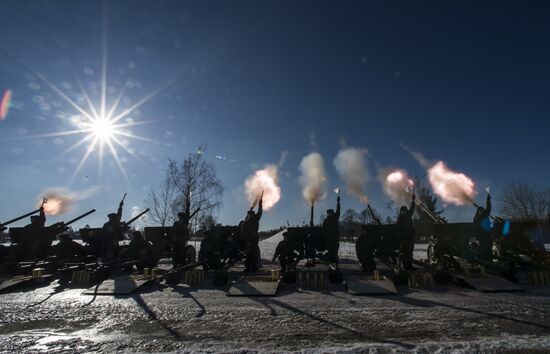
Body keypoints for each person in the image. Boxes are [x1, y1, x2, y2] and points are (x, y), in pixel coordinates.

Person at [240, 197, 263, 272]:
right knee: (248, 254)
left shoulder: (256, 219)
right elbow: (242, 229)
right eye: (249, 214)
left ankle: (254, 267)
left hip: (254, 238)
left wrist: (260, 204)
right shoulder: (245, 222)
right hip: (247, 239)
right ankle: (248, 267)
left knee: (254, 254)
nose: (250, 215)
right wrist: (243, 236)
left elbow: (260, 212)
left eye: (251, 214)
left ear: (253, 214)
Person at [397, 193, 416, 270]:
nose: (404, 212)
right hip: (404, 238)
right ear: (401, 211)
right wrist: (401, 239)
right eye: (403, 211)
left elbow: (412, 209)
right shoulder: (400, 219)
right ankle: (405, 265)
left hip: (410, 237)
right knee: (405, 253)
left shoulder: (408, 215)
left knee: (410, 252)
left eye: (405, 210)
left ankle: (409, 265)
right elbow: (398, 229)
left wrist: (413, 201)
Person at [473, 194, 492, 261]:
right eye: (479, 211)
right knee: (483, 249)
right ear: (478, 212)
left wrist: (488, 200)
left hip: (489, 235)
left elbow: (488, 207)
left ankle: (490, 261)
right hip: (482, 236)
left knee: (489, 249)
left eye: (482, 210)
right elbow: (475, 227)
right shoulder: (476, 218)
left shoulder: (485, 215)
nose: (481, 212)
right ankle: (484, 261)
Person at [322, 195, 341, 264]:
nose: (329, 214)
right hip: (329, 239)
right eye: (328, 213)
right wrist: (325, 235)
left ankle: (335, 267)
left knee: (335, 253)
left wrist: (338, 202)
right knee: (330, 253)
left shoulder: (335, 218)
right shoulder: (325, 220)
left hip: (335, 238)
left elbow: (338, 211)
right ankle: (331, 266)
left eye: (330, 213)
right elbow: (324, 229)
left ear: (332, 213)